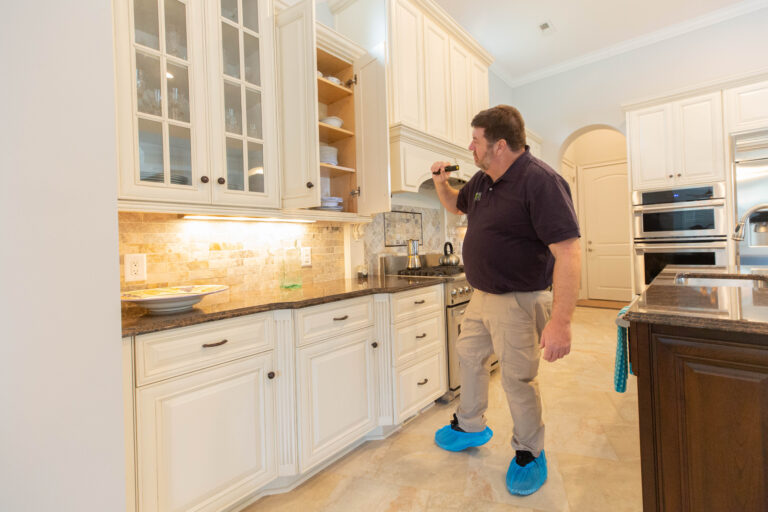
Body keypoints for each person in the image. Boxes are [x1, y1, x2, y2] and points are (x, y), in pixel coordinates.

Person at [431, 105, 581, 496]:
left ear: (498, 145)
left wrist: (561, 321)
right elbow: (454, 204)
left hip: (518, 298)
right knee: (469, 355)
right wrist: (440, 181)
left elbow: (568, 252)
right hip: (482, 295)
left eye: (476, 141)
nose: (470, 147)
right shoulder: (482, 180)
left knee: (516, 378)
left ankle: (530, 453)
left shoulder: (541, 181)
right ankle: (470, 425)